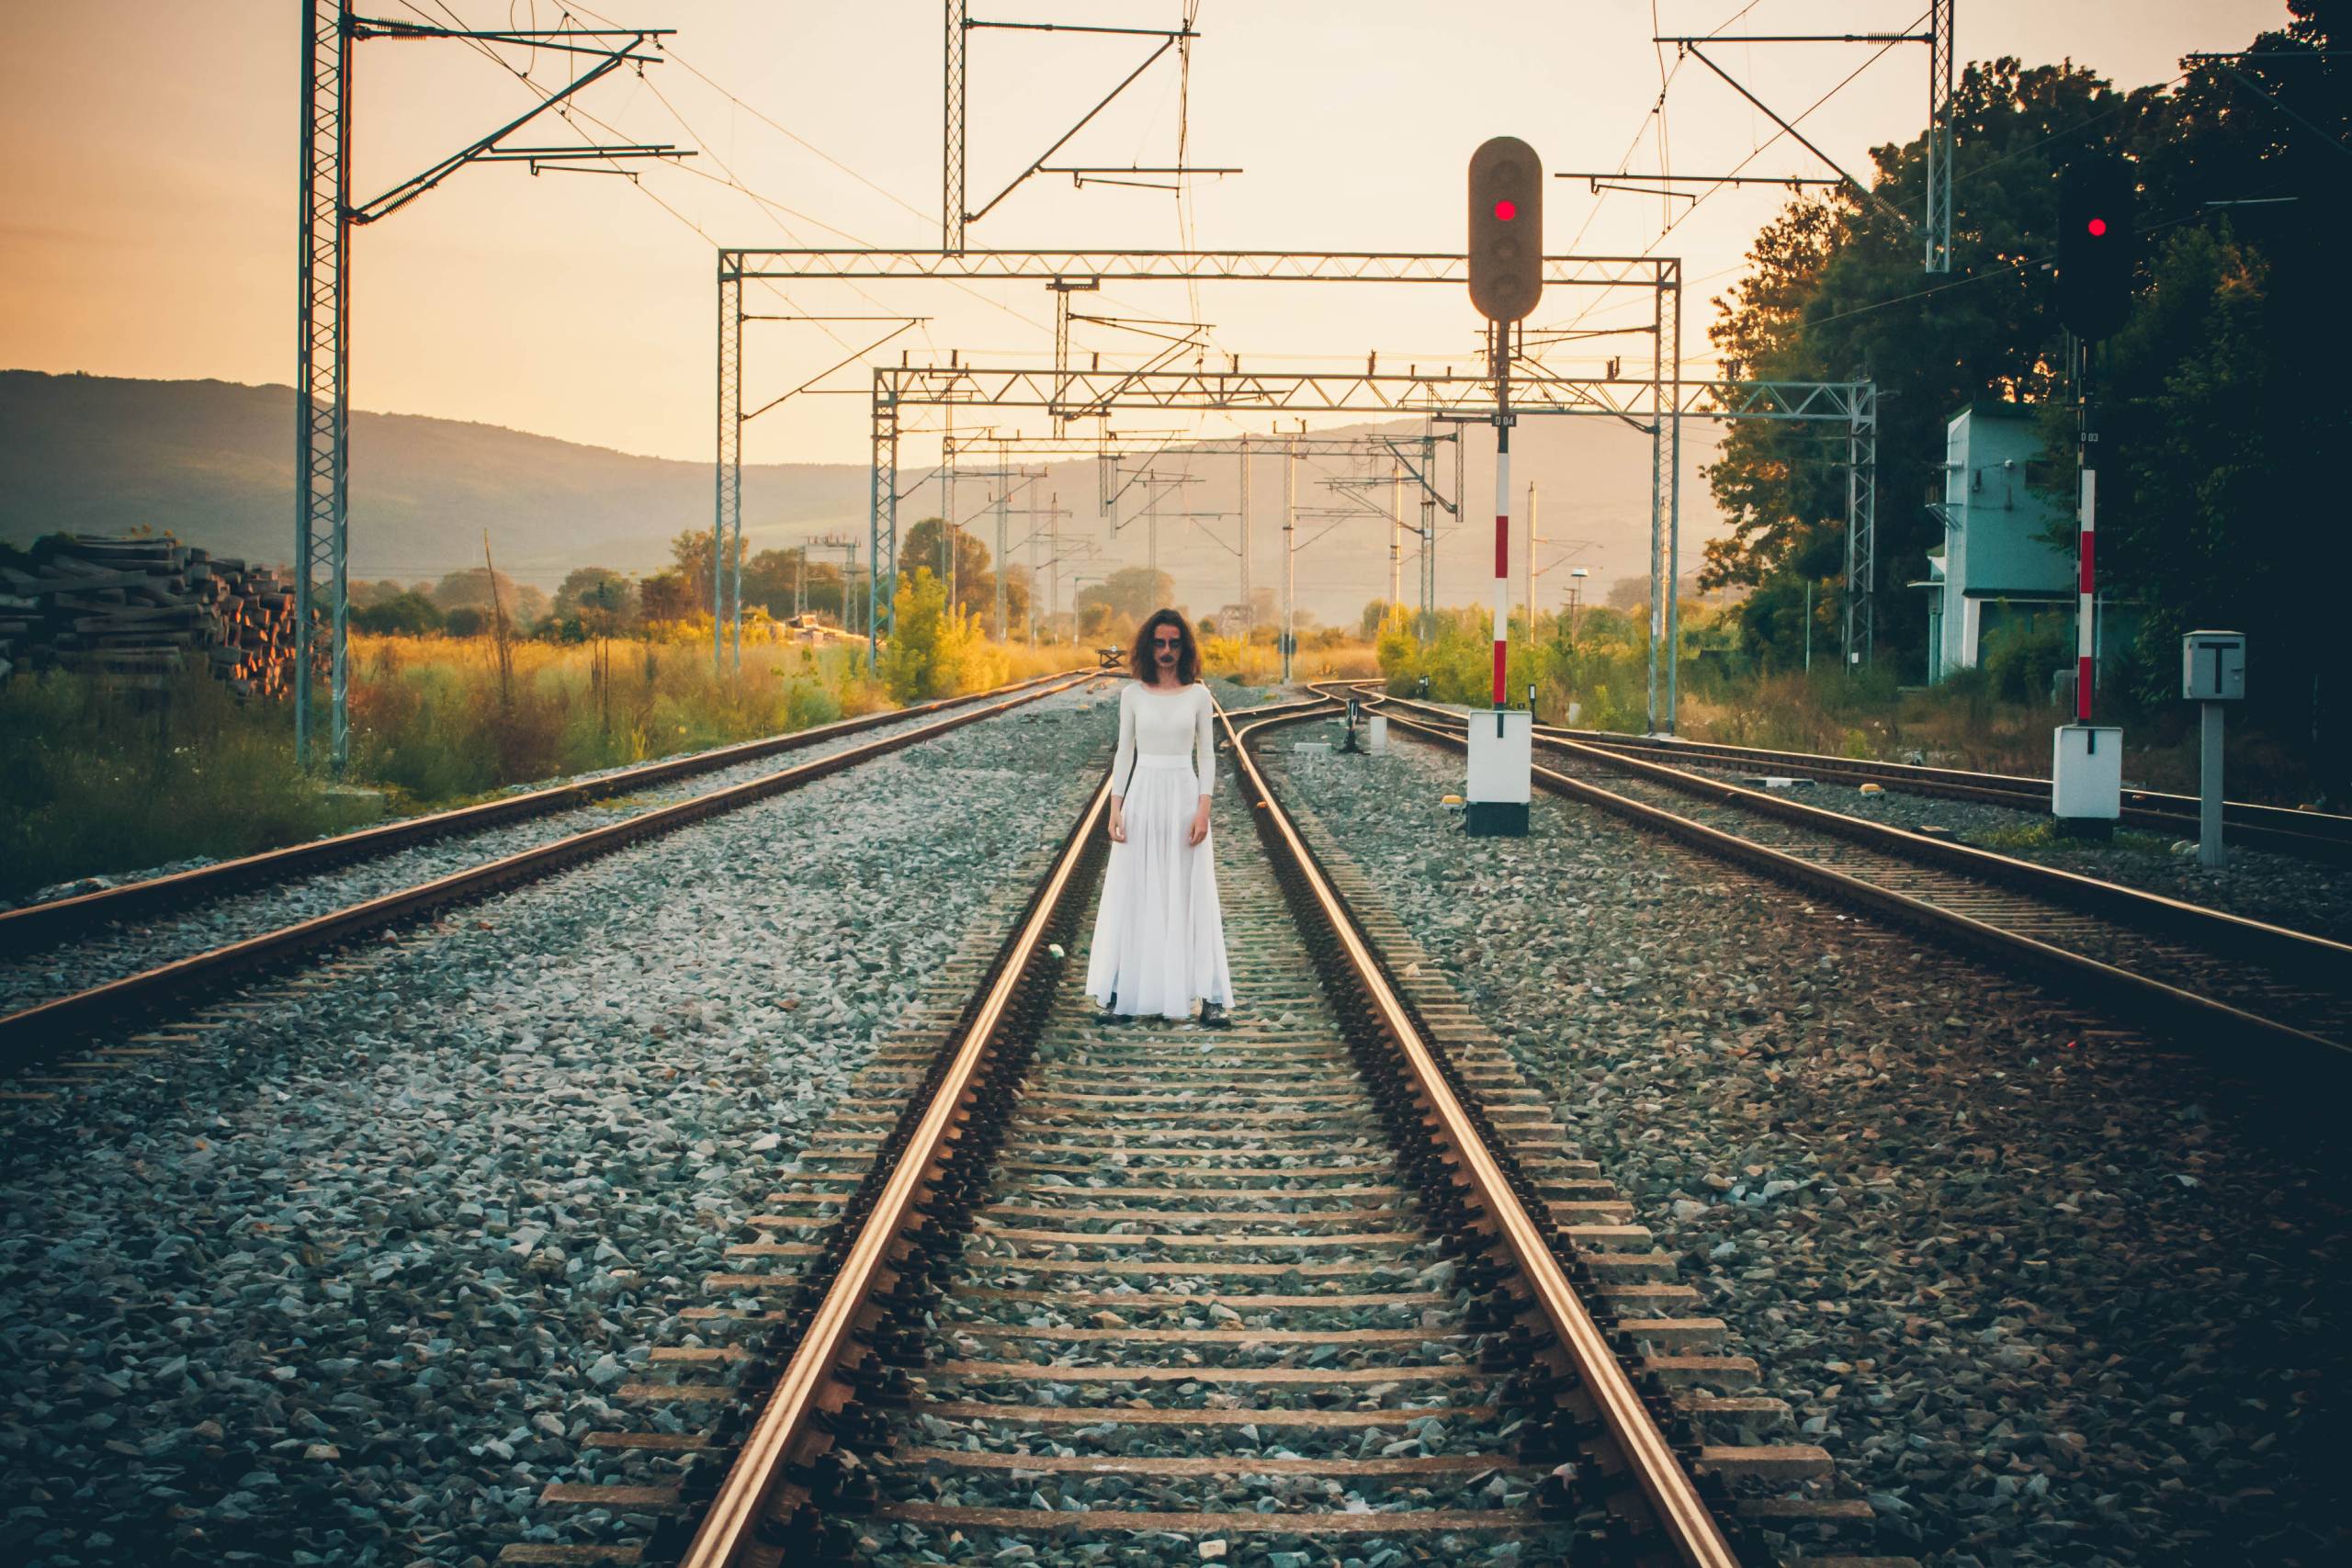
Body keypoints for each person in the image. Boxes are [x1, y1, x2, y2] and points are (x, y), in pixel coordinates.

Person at [1084, 608, 1236, 1028]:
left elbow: (1206, 754)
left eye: (1174, 643)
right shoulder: (1132, 695)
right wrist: (1115, 806)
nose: (1166, 651)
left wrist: (1204, 808)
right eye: (1159, 643)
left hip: (1184, 796)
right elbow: (1124, 752)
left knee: (1191, 891)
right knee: (1135, 890)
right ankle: (1123, 992)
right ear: (1148, 646)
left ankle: (1208, 996)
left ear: (1184, 647)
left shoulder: (1199, 695)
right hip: (1143, 796)